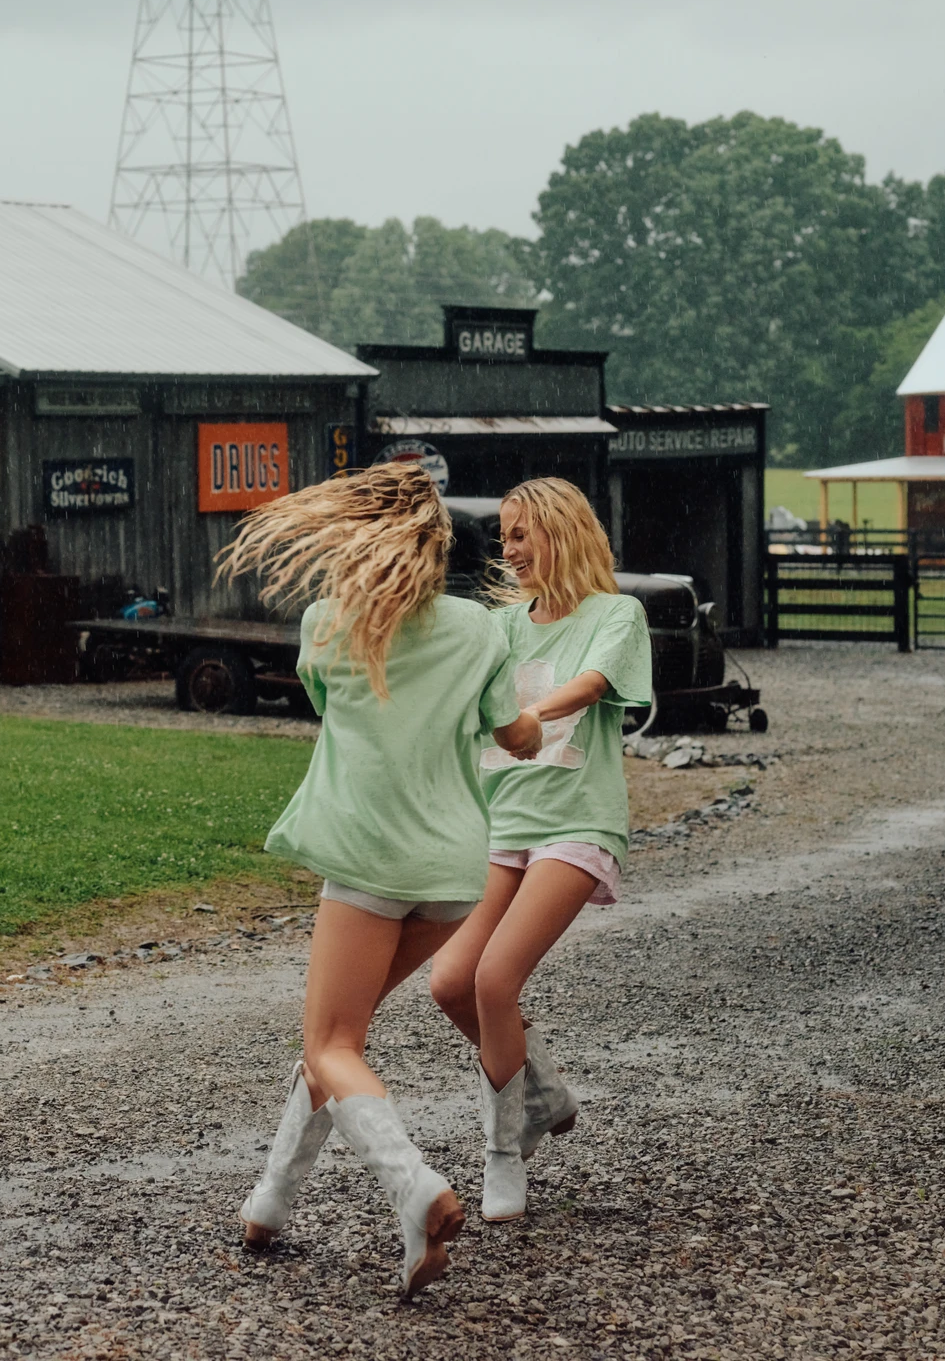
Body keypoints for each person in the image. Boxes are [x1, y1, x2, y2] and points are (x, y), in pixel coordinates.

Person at [223, 463, 543, 1298]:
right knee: (338, 1037)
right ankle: (269, 1204)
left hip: (370, 860)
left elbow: (330, 705)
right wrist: (531, 732)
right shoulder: (481, 629)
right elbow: (509, 732)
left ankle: (415, 1188)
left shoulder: (330, 623)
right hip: (453, 872)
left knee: (329, 1045)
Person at [429, 477, 653, 1224]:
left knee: (496, 979)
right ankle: (545, 1092)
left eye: (522, 534)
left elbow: (589, 685)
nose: (511, 549)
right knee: (451, 983)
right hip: (503, 824)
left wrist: (527, 718)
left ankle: (503, 1153)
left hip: (577, 823)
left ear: (562, 531)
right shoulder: (499, 626)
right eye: (505, 537)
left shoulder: (615, 614)